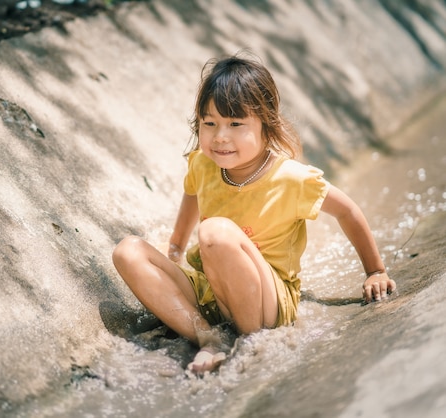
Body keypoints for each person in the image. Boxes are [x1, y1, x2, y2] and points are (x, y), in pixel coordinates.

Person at [111, 52, 397, 375]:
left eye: (235, 124)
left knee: (215, 232)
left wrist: (375, 270)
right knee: (128, 252)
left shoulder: (290, 178)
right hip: (210, 289)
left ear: (266, 124)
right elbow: (192, 193)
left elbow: (347, 211)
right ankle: (209, 336)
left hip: (267, 302)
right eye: (210, 123)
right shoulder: (203, 164)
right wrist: (175, 247)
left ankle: (248, 339)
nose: (220, 136)